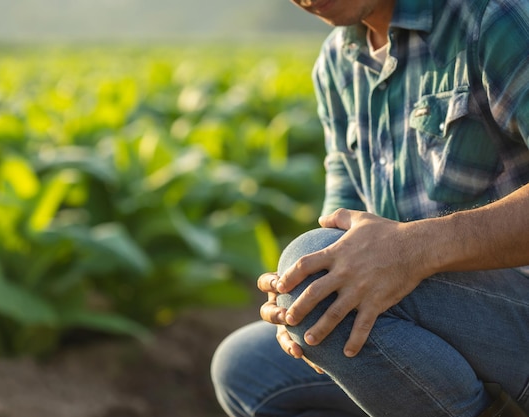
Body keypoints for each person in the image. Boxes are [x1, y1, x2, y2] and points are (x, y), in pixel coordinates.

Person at [210, 0, 529, 416]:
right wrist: (292, 297)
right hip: (429, 325)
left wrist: (413, 249)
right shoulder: (335, 64)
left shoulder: (491, 17)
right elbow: (339, 225)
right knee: (247, 366)